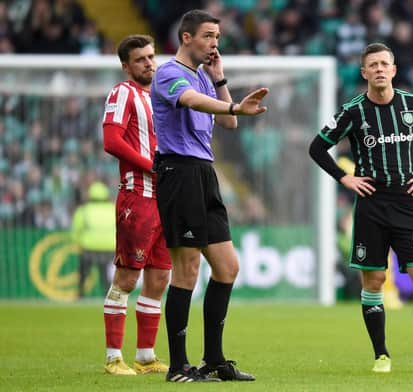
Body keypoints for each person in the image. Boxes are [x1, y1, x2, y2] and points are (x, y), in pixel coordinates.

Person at [309, 42, 413, 374]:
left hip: (407, 205)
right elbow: (317, 147)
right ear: (365, 72)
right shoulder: (353, 111)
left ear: (393, 70)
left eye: (385, 63)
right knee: (375, 281)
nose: (380, 69)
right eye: (373, 65)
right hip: (371, 206)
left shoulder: (412, 104)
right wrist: (344, 178)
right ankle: (382, 355)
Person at [150, 9, 268, 383]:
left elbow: (230, 123)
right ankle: (177, 366)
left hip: (204, 171)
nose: (215, 43)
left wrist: (219, 79)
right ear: (186, 37)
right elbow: (191, 103)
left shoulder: (204, 77)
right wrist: (233, 105)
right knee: (186, 269)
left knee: (227, 267)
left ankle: (214, 359)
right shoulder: (169, 72)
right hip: (178, 172)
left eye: (217, 37)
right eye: (208, 36)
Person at [101, 34, 171, 376]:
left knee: (159, 278)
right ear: (127, 66)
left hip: (167, 200)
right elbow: (111, 140)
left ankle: (145, 356)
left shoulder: (160, 96)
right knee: (127, 278)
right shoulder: (122, 93)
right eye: (141, 59)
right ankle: (114, 357)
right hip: (138, 197)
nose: (149, 63)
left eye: (151, 56)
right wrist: (150, 165)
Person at [71, 181, 115, 300]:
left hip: (89, 248)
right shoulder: (113, 209)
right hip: (109, 248)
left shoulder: (83, 210)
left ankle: (80, 295)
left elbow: (76, 230)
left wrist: (79, 243)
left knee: (83, 273)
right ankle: (107, 297)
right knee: (105, 274)